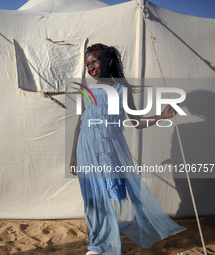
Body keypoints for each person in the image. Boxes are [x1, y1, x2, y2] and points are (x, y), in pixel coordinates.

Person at [70, 43, 186, 255]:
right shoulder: (85, 90)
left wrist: (161, 116)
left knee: (111, 191)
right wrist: (72, 157)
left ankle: (107, 239)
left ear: (109, 61)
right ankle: (97, 245)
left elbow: (135, 121)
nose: (91, 67)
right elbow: (80, 123)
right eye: (88, 64)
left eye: (95, 61)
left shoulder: (122, 89)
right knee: (93, 197)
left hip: (109, 147)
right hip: (86, 148)